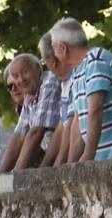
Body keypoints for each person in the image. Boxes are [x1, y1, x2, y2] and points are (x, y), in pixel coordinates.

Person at [50, 17, 112, 162]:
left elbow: (95, 110)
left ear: (63, 48)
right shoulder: (77, 73)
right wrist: (70, 167)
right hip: (108, 163)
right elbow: (78, 126)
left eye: (53, 47)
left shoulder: (95, 60)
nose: (53, 54)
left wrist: (88, 155)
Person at [0, 53, 60, 173]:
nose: (21, 80)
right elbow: (18, 136)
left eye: (25, 72)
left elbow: (36, 132)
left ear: (38, 69)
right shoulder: (30, 95)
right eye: (16, 76)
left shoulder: (49, 82)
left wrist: (15, 176)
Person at [39, 33, 75, 167]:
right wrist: (44, 169)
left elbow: (69, 128)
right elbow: (61, 128)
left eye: (44, 61)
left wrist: (57, 168)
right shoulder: (64, 82)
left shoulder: (73, 77)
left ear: (52, 60)